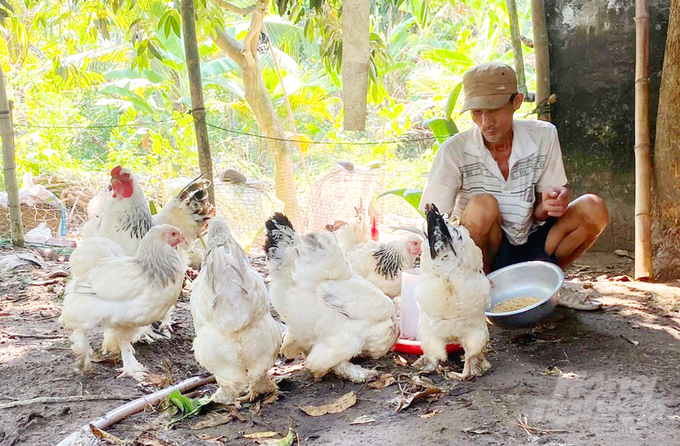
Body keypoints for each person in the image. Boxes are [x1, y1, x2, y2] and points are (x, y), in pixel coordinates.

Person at [420, 61, 608, 310]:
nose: (486, 122)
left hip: (532, 246)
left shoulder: (543, 136)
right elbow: (434, 221)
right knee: (481, 205)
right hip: (483, 255)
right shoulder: (454, 151)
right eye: (477, 112)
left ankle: (548, 283)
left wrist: (552, 203)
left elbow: (541, 212)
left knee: (593, 208)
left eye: (495, 109)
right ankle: (482, 294)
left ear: (516, 102)